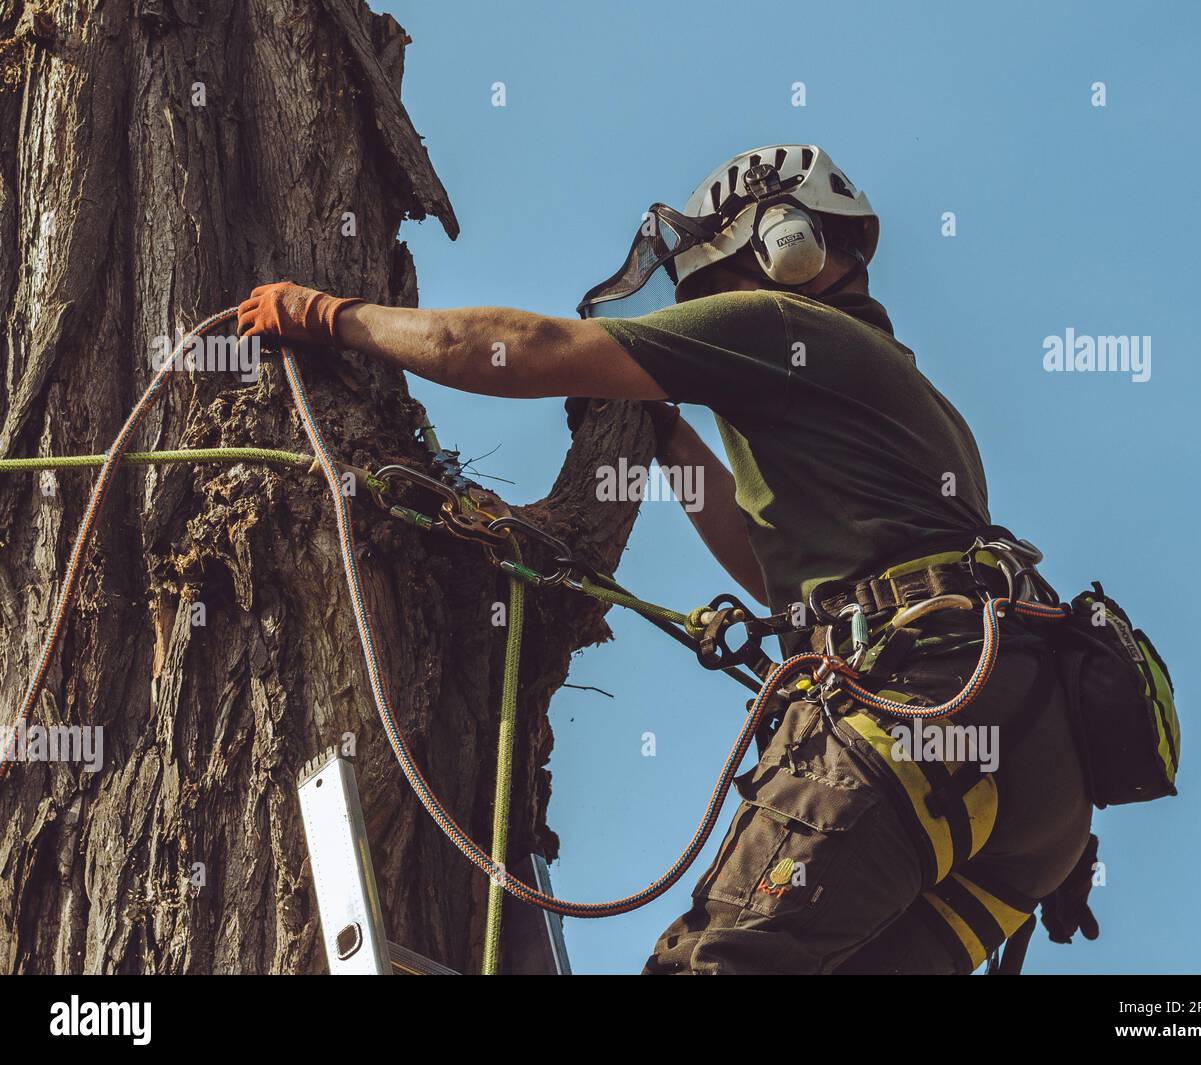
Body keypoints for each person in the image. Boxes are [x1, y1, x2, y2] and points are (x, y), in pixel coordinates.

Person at [239, 143, 1094, 974]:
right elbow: (775, 573)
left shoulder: (778, 324)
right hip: (1030, 787)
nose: (699, 315)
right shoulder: (899, 394)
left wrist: (330, 316)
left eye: (707, 292)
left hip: (925, 708)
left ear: (780, 244)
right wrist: (666, 429)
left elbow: (521, 347)